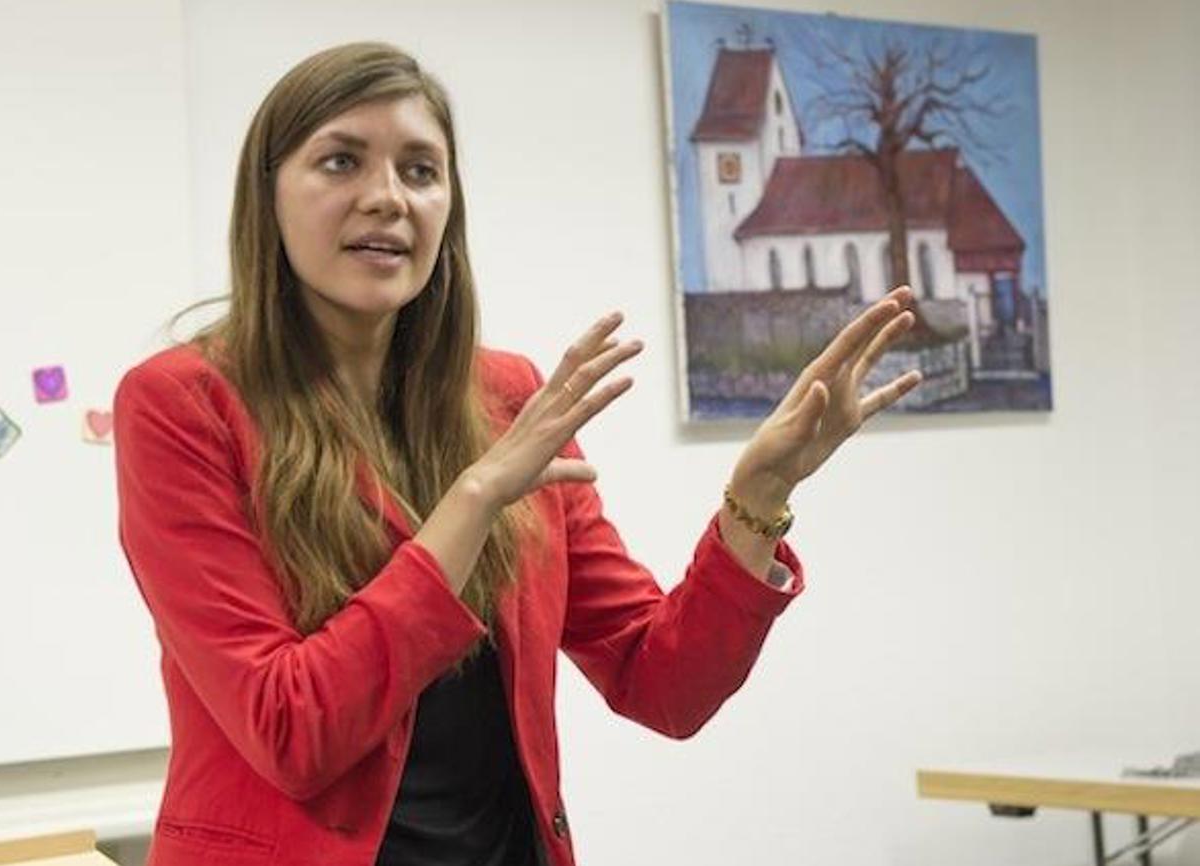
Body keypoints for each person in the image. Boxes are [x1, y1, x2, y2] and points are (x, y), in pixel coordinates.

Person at [113, 42, 922, 866]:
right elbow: (291, 732)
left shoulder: (505, 396)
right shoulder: (184, 402)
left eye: (421, 171)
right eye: (341, 161)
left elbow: (662, 683)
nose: (387, 198)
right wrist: (472, 502)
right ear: (268, 198)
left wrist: (757, 496)